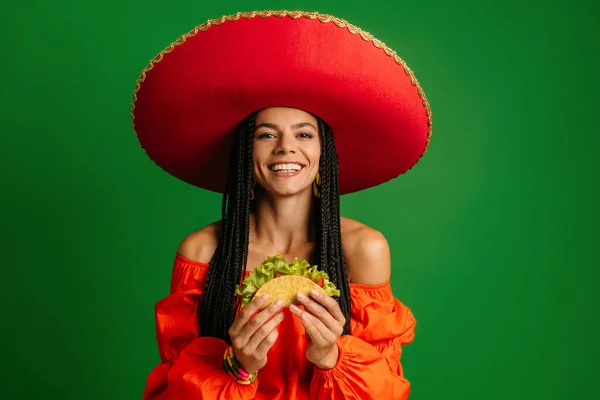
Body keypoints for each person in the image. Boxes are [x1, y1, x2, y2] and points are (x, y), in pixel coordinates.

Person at [131, 10, 432, 400]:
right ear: (245, 154)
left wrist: (330, 355)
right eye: (266, 134)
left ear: (324, 154)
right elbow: (174, 388)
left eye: (304, 134)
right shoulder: (203, 251)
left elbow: (385, 389)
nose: (286, 147)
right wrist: (237, 366)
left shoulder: (363, 249)